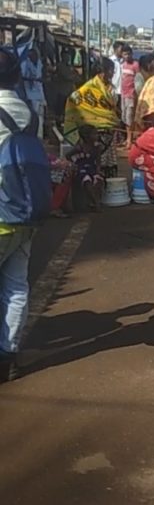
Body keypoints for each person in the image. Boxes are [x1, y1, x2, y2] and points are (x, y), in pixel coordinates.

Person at [0, 48, 50, 380]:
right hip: (25, 212)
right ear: (18, 77)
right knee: (17, 286)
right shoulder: (30, 113)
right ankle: (8, 357)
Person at [64, 58, 119, 142]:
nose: (113, 73)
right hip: (92, 132)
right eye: (111, 70)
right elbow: (73, 99)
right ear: (103, 71)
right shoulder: (90, 87)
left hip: (109, 129)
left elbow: (112, 106)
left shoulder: (110, 87)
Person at [69, 125, 105, 211]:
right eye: (94, 134)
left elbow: (98, 160)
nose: (97, 136)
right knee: (87, 181)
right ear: (87, 136)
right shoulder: (79, 147)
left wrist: (98, 170)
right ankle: (96, 203)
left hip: (91, 167)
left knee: (98, 180)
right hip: (81, 168)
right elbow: (68, 156)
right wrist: (72, 165)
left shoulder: (96, 147)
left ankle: (95, 201)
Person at [20, 45, 46, 139]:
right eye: (31, 55)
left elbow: (42, 74)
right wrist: (32, 79)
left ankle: (40, 136)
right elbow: (22, 77)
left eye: (34, 54)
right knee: (32, 116)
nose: (33, 56)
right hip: (30, 92)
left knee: (41, 116)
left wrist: (40, 79)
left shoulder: (39, 62)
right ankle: (32, 135)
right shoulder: (26, 63)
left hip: (39, 92)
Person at [120, 46, 139, 146]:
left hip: (131, 95)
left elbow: (138, 81)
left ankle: (129, 140)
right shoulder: (122, 65)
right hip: (123, 94)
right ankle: (127, 138)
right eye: (124, 54)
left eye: (128, 54)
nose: (127, 56)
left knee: (129, 117)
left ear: (132, 54)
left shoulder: (135, 65)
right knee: (124, 117)